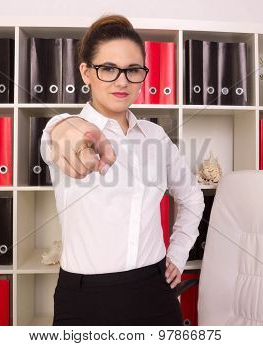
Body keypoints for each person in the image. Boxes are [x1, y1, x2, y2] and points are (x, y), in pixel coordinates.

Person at [40, 14, 204, 326]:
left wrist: (179, 253)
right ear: (86, 72)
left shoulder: (155, 137)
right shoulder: (72, 129)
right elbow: (57, 132)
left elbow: (192, 198)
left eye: (133, 70)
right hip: (85, 299)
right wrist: (63, 129)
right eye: (108, 68)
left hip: (155, 290)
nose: (122, 81)